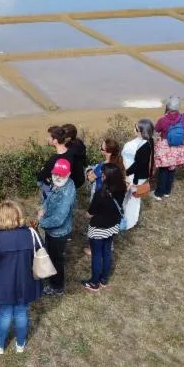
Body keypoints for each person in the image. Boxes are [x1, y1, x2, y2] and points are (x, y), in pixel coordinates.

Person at [0, 201, 42, 354]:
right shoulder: (31, 234)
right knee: (22, 312)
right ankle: (20, 344)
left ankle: (0, 345)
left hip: (4, 285)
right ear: (19, 215)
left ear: (1, 218)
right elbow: (40, 254)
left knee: (5, 313)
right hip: (26, 282)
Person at [82, 164, 127, 292]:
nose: (101, 176)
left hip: (98, 228)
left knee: (97, 255)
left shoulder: (100, 194)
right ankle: (104, 279)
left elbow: (90, 213)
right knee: (107, 251)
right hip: (113, 225)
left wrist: (85, 214)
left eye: (103, 175)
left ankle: (94, 283)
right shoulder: (122, 188)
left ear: (107, 177)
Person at [37, 158, 76, 296]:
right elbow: (50, 197)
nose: (58, 177)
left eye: (62, 174)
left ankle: (57, 287)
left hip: (58, 232)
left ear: (69, 174)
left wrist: (41, 222)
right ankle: (51, 275)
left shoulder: (67, 193)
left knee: (56, 259)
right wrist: (44, 208)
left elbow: (59, 218)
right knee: (51, 254)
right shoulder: (61, 184)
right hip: (51, 229)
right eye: (56, 174)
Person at [154, 96, 184, 201]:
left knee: (163, 170)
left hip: (165, 147)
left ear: (168, 107)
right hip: (178, 147)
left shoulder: (163, 120)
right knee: (172, 169)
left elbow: (157, 129)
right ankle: (167, 191)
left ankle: (158, 194)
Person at [121, 119, 155, 231]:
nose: (133, 130)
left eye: (136, 128)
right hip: (141, 175)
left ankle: (129, 222)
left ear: (141, 132)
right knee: (134, 198)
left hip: (135, 176)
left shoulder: (143, 146)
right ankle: (130, 219)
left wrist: (126, 173)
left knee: (132, 198)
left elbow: (138, 165)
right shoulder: (150, 141)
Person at [36, 125, 69, 202]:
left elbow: (41, 176)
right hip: (65, 187)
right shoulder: (70, 153)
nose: (47, 139)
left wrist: (42, 171)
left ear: (55, 141)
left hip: (53, 188)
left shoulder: (53, 160)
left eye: (49, 137)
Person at [62, 123, 88, 190]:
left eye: (62, 135)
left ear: (69, 138)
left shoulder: (69, 150)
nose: (60, 137)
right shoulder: (79, 143)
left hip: (72, 180)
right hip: (80, 177)